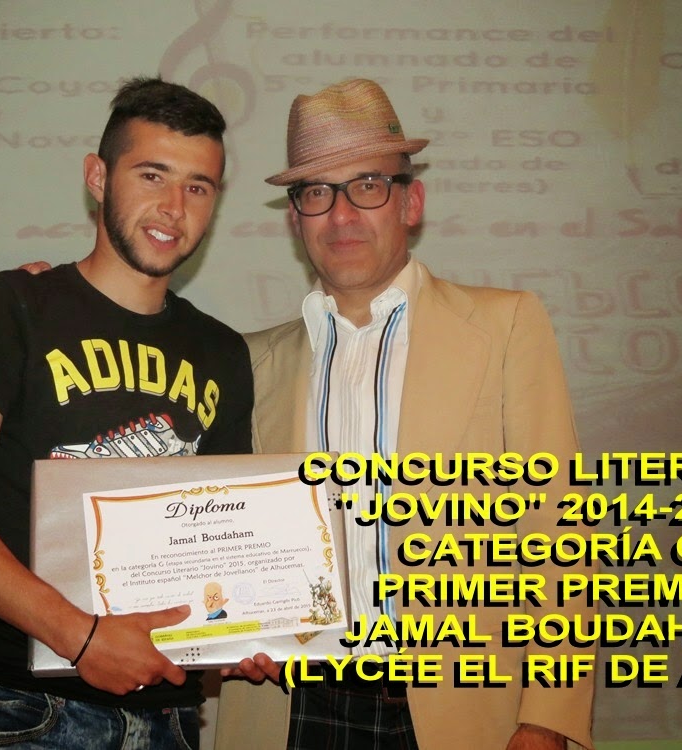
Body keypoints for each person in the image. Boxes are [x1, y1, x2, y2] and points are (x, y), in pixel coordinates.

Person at [214, 79, 595, 750]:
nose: (341, 215)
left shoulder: (506, 325)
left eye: (367, 186)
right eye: (317, 192)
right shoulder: (249, 359)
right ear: (296, 218)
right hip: (293, 710)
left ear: (411, 202)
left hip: (463, 714)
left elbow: (557, 531)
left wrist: (547, 717)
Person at [0, 77, 253, 749]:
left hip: (172, 716)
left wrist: (250, 630)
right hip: (23, 710)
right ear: (98, 177)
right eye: (151, 175)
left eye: (198, 187)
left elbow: (222, 536)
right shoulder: (11, 306)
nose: (173, 207)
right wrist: (81, 637)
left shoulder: (223, 352)